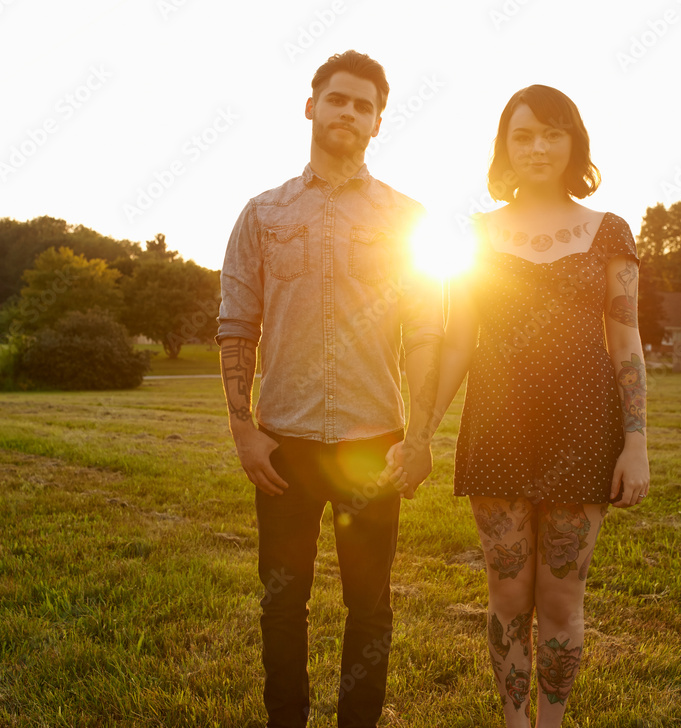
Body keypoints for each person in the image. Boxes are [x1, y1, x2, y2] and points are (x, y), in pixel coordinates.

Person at [215, 50, 442, 728]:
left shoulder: (408, 218)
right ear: (310, 106)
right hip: (283, 444)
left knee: (369, 606)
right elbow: (235, 323)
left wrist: (423, 437)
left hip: (374, 445)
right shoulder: (262, 214)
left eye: (364, 105)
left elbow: (427, 332)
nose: (349, 112)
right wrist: (243, 428)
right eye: (337, 99)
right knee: (282, 603)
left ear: (378, 123)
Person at [422, 85, 651, 726]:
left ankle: (549, 723)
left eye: (552, 133)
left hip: (585, 429)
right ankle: (514, 722)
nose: (538, 147)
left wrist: (636, 442)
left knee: (559, 595)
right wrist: (421, 435)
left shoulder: (609, 232)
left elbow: (626, 338)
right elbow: (457, 341)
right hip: (498, 427)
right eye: (522, 135)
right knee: (507, 591)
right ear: (504, 148)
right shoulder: (475, 233)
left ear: (574, 142)